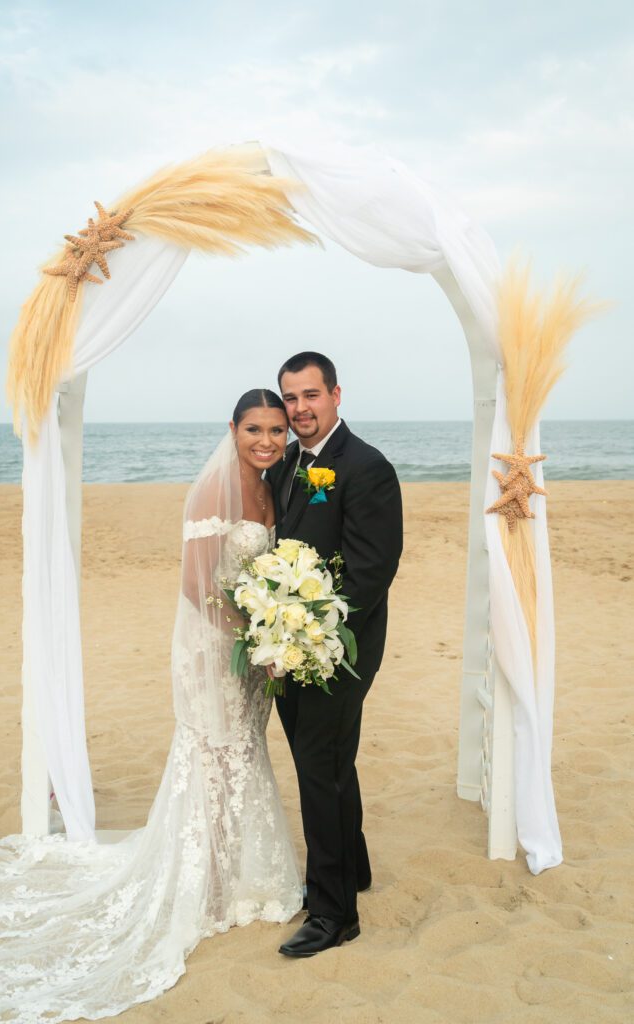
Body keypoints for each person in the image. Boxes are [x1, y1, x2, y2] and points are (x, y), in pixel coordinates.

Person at [0, 389, 302, 1024]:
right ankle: (206, 881)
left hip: (253, 652)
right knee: (214, 750)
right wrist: (258, 640)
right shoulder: (210, 491)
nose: (268, 441)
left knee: (242, 753)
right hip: (216, 649)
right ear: (234, 428)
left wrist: (272, 637)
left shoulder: (273, 488)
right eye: (256, 429)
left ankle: (234, 874)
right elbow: (197, 585)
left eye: (277, 430)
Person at [268, 352, 403, 958]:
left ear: (336, 395)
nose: (299, 409)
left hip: (341, 649)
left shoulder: (366, 467)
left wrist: (309, 636)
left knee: (319, 765)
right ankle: (355, 867)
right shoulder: (289, 464)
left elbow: (371, 573)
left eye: (310, 396)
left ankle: (333, 913)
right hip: (290, 643)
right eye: (290, 398)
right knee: (326, 760)